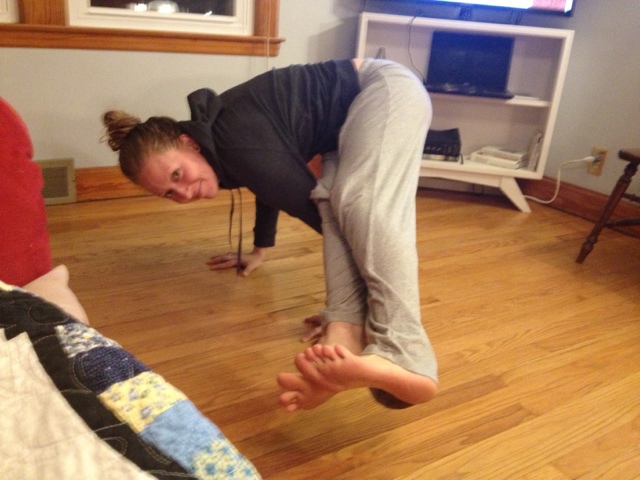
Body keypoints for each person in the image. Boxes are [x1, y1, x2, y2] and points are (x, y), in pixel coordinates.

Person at [102, 58, 438, 411]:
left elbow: (331, 223)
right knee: (335, 206)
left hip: (382, 88)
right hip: (343, 128)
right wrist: (260, 249)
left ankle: (404, 352)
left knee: (357, 206)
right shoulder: (219, 147)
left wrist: (347, 309)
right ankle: (346, 337)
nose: (184, 193)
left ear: (188, 143)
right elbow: (267, 186)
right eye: (170, 193)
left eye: (176, 175)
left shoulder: (236, 140)